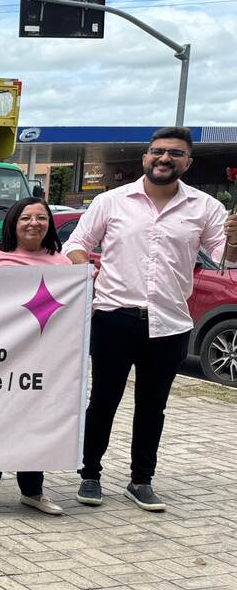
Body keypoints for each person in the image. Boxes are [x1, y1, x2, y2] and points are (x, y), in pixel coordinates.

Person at [64, 127, 237, 512]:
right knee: (103, 401)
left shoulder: (205, 208)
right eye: (158, 151)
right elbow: (76, 244)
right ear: (145, 158)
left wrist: (234, 237)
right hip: (113, 318)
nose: (165, 158)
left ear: (187, 162)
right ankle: (89, 474)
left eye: (175, 154)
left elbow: (227, 259)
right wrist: (84, 270)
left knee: (152, 406)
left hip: (170, 323)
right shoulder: (111, 201)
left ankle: (141, 480)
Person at [0, 198, 69, 515]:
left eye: (41, 218)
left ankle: (33, 490)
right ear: (13, 223)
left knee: (34, 420)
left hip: (41, 358)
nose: (33, 223)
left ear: (49, 224)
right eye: (26, 218)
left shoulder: (62, 266)